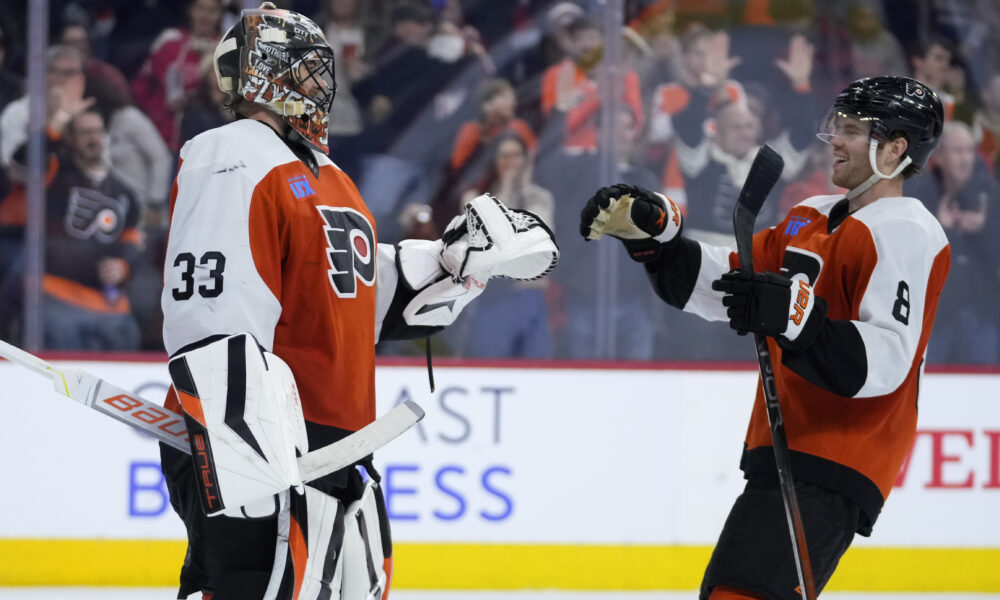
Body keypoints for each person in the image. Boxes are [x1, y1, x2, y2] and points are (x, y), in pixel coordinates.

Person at [158, 4, 556, 599]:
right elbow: (211, 319)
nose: (321, 85)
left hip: (334, 447)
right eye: (305, 69)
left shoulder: (329, 175)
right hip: (261, 448)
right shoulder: (232, 153)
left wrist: (454, 264)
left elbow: (356, 296)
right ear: (262, 73)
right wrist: (243, 458)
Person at [580, 75, 950, 599]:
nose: (836, 139)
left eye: (852, 130)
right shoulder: (812, 216)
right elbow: (728, 284)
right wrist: (658, 243)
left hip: (839, 455)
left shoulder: (908, 230)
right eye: (837, 126)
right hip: (788, 447)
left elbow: (886, 360)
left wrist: (796, 317)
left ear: (895, 148)